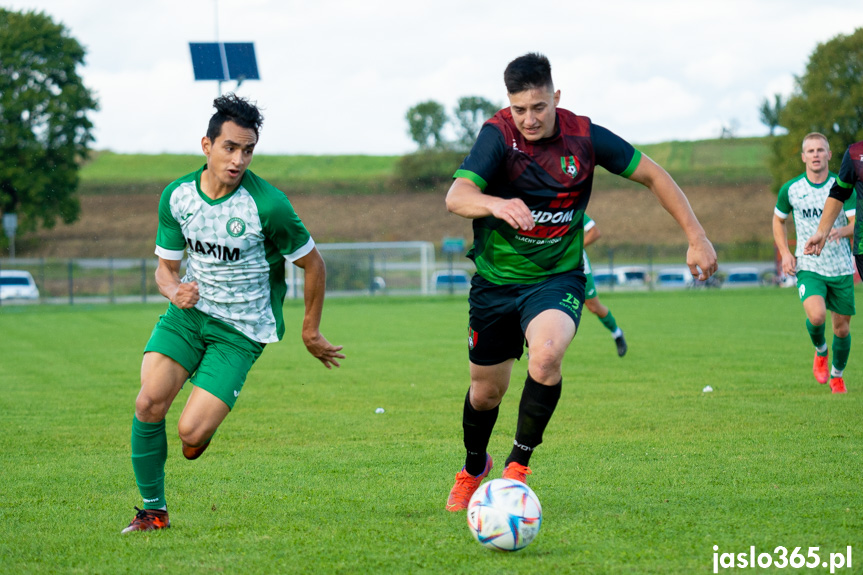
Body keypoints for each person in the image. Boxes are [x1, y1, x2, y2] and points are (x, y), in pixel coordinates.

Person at [444, 53, 717, 511]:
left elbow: (653, 174)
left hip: (556, 277)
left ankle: (517, 467)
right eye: (519, 109)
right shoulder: (498, 135)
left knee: (547, 357)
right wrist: (494, 204)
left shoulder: (584, 137)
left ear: (556, 97)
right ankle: (474, 467)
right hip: (495, 282)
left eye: (538, 107)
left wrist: (697, 235)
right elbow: (457, 195)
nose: (528, 119)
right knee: (485, 391)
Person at [122, 94, 345, 533]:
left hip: (240, 330)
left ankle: (200, 429)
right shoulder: (178, 196)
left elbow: (313, 263)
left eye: (248, 150)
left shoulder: (269, 205)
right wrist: (174, 291)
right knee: (148, 403)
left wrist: (310, 330)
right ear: (207, 145)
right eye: (230, 147)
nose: (239, 159)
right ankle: (152, 512)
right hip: (188, 317)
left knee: (189, 435)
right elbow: (165, 270)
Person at [798, 136, 862, 393]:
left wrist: (843, 231)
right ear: (803, 156)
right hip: (812, 263)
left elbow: (853, 220)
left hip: (841, 267)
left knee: (842, 328)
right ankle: (821, 350)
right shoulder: (856, 156)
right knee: (817, 316)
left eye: (820, 150)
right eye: (810, 151)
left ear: (828, 153)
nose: (815, 155)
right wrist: (821, 233)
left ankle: (837, 375)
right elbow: (778, 220)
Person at [582, 214, 627, 357]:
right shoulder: (536, 208)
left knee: (593, 306)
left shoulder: (570, 207)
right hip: (549, 264)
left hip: (576, 263)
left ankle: (617, 333)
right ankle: (538, 347)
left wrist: (570, 251)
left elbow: (594, 232)